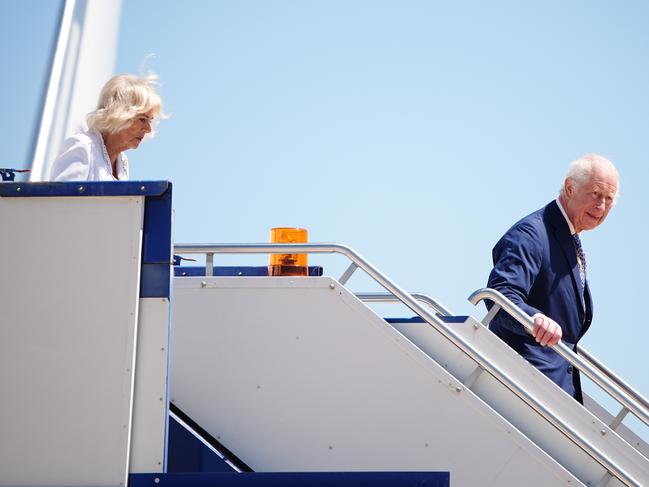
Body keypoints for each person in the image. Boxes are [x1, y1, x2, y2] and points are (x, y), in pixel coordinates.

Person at [486, 154, 619, 403]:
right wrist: (534, 319)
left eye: (609, 199)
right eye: (596, 194)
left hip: (556, 387)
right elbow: (500, 296)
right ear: (570, 188)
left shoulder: (569, 238)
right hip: (525, 384)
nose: (601, 206)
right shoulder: (533, 233)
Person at [50, 74, 166, 181]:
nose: (148, 129)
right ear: (118, 113)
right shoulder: (83, 146)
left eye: (150, 121)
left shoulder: (123, 162)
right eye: (142, 119)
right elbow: (61, 201)